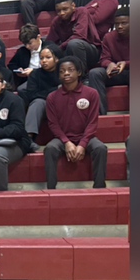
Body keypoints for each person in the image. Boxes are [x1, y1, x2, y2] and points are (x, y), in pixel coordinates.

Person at [43, 56, 107, 189]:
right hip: (62, 139)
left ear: (78, 72)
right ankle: (51, 189)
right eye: (62, 71)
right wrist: (66, 142)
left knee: (100, 148)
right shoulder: (52, 97)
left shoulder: (92, 93)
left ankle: (99, 188)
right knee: (49, 149)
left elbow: (92, 122)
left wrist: (83, 144)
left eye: (70, 70)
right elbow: (53, 124)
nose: (66, 73)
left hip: (86, 137)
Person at [87, 8, 129, 115]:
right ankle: (100, 115)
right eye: (117, 24)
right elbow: (104, 58)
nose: (119, 26)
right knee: (95, 73)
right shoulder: (109, 37)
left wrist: (126, 63)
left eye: (124, 23)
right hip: (116, 72)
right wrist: (109, 64)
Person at [23, 44, 64, 144]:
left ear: (57, 59)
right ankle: (28, 139)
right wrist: (55, 90)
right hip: (45, 105)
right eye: (41, 58)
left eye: (48, 57)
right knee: (37, 102)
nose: (44, 61)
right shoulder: (35, 74)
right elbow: (32, 94)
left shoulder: (63, 72)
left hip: (63, 103)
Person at [48, 0, 102, 68]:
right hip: (68, 48)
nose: (62, 13)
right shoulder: (56, 21)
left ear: (73, 6)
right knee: (49, 48)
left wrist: (60, 48)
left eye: (65, 9)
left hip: (90, 50)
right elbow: (50, 40)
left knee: (74, 43)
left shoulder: (82, 12)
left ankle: (81, 75)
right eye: (58, 11)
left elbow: (79, 36)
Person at [7, 24, 54, 90]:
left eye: (30, 43)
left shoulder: (50, 47)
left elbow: (55, 66)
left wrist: (34, 72)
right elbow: (11, 65)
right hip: (29, 81)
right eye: (24, 44)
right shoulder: (22, 51)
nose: (27, 46)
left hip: (47, 78)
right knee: (21, 89)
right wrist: (18, 70)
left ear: (38, 37)